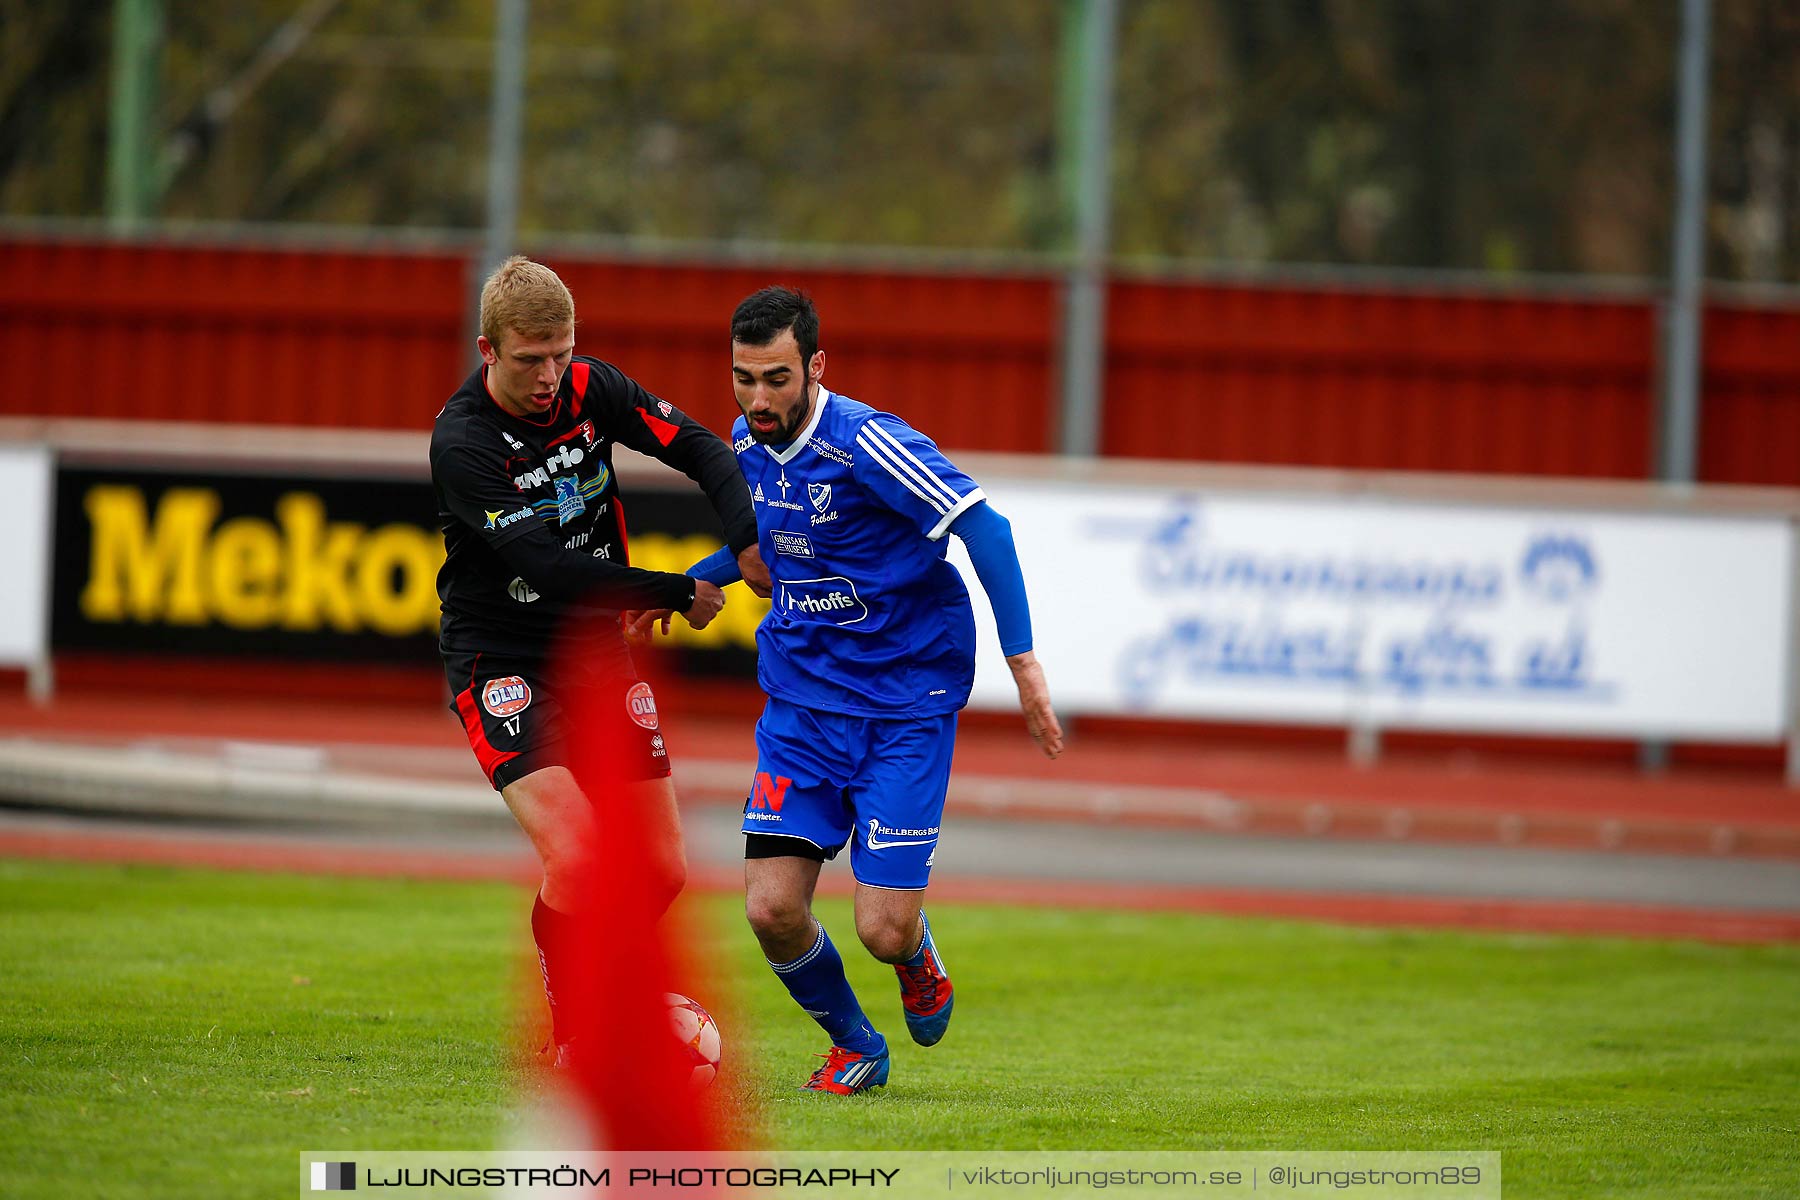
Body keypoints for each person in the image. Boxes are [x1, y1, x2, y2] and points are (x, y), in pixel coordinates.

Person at [632, 286, 1063, 1094]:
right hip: (801, 707)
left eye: (777, 380)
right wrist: (682, 585)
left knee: (881, 928)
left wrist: (1024, 662)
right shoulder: (748, 445)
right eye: (744, 379)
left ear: (815, 366)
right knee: (769, 910)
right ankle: (856, 1044)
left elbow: (986, 527)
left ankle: (915, 952)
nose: (758, 400)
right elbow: (770, 546)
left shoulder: (868, 443)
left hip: (903, 707)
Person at [429, 256, 768, 1065]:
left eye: (561, 353)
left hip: (595, 655)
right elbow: (548, 567)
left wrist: (748, 540)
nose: (549, 376)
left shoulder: (593, 388)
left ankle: (610, 990)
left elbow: (703, 450)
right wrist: (673, 588)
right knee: (579, 856)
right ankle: (576, 1029)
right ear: (487, 350)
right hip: (502, 658)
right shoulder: (465, 441)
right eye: (528, 359)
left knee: (659, 870)